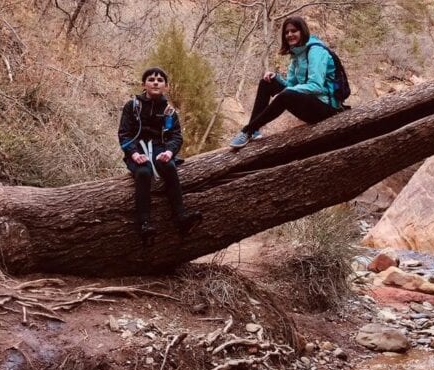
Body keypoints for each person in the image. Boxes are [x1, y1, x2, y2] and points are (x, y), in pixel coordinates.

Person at [229, 17, 342, 149]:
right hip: (308, 100)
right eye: (286, 32)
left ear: (302, 31)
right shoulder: (297, 54)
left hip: (325, 107)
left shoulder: (316, 51)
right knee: (267, 82)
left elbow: (316, 86)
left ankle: (247, 131)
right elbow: (291, 85)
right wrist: (276, 78)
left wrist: (288, 92)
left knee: (286, 96)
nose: (289, 35)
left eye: (294, 31)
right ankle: (253, 131)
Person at [118, 67, 203, 241]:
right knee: (143, 172)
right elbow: (124, 134)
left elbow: (176, 136)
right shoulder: (132, 106)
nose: (155, 82)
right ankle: (144, 224)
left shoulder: (169, 111)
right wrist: (134, 154)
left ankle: (181, 217)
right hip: (137, 148)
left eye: (159, 80)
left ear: (166, 86)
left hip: (159, 148)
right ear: (143, 85)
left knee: (169, 166)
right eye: (151, 79)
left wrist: (169, 152)